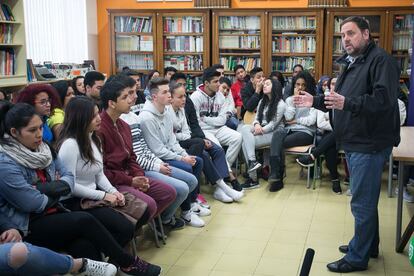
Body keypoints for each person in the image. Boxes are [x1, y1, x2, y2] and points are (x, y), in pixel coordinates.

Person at [0, 102, 161, 276]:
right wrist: (60, 189)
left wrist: (42, 188)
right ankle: (128, 263)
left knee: (86, 246)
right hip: (30, 222)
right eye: (32, 130)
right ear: (14, 132)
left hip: (57, 210)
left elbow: (68, 178)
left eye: (40, 128)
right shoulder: (6, 162)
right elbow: (33, 203)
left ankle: (115, 265)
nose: (39, 134)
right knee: (86, 221)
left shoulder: (45, 149)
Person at [294, 16, 400, 273]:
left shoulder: (380, 60)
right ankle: (368, 245)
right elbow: (338, 100)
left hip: (369, 142)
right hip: (354, 140)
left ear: (366, 34)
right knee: (366, 200)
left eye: (351, 33)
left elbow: (383, 100)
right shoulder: (352, 63)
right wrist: (316, 101)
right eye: (343, 35)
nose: (346, 40)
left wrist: (347, 104)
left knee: (361, 202)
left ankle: (357, 257)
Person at [57, 97, 150, 246]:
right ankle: (116, 257)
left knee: (143, 211)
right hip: (76, 200)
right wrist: (104, 195)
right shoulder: (70, 145)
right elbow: (70, 185)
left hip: (94, 195)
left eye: (97, 113)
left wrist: (113, 192)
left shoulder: (94, 139)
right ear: (80, 119)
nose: (99, 118)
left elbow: (99, 174)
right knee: (124, 227)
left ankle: (115, 253)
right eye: (93, 116)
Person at [113, 73, 198, 230]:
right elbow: (145, 153)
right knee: (182, 185)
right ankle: (165, 219)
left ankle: (179, 211)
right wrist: (160, 165)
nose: (133, 97)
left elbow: (144, 148)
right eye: (128, 94)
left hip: (150, 162)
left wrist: (178, 157)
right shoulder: (142, 118)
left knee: (192, 172)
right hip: (141, 168)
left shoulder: (134, 117)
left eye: (132, 93)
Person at [97, 78, 176, 223]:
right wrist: (131, 181)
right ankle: (129, 229)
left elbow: (132, 157)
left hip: (130, 176)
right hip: (113, 182)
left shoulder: (124, 125)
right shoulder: (100, 129)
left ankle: (136, 224)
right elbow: (102, 171)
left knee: (169, 192)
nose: (131, 100)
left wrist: (140, 177)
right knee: (149, 205)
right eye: (125, 97)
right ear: (111, 103)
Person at [137, 77, 207, 227]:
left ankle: (192, 203)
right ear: (155, 96)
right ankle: (186, 212)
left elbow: (172, 140)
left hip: (167, 154)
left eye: (169, 91)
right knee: (188, 167)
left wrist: (184, 155)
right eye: (165, 92)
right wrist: (182, 160)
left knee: (198, 161)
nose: (169, 95)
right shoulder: (146, 117)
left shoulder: (167, 111)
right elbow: (157, 150)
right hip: (157, 160)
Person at [169, 81, 244, 203]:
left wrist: (184, 136)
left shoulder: (182, 108)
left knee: (216, 150)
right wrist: (188, 137)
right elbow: (171, 137)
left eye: (184, 96)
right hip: (177, 144)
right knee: (201, 152)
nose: (184, 99)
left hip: (188, 139)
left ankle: (221, 187)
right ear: (170, 98)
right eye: (180, 97)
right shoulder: (168, 112)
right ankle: (217, 189)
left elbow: (188, 131)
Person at [0, 213, 117, 276]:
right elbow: (33, 201)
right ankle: (80, 265)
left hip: (54, 209)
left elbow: (66, 185)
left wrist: (11, 229)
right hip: (33, 221)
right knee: (19, 252)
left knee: (83, 242)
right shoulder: (8, 169)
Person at [190, 67, 244, 192]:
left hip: (219, 128)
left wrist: (206, 119)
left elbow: (222, 120)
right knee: (218, 147)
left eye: (219, 81)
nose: (219, 84)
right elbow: (196, 122)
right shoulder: (195, 97)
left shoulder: (220, 96)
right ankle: (229, 176)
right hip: (204, 131)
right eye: (215, 82)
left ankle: (225, 170)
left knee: (237, 137)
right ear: (206, 83)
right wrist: (207, 121)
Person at [268, 71, 316, 192]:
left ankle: (277, 175)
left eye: (303, 85)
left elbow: (311, 121)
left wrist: (297, 121)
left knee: (279, 143)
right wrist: (294, 101)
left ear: (307, 86)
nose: (300, 87)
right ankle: (276, 173)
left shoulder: (312, 99)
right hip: (289, 129)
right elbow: (289, 118)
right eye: (297, 84)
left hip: (306, 132)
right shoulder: (289, 100)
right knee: (277, 134)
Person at [296, 77, 342, 195]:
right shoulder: (324, 100)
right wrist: (337, 126)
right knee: (329, 147)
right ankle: (335, 180)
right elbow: (321, 123)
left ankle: (312, 156)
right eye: (331, 84)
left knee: (334, 135)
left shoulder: (344, 100)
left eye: (336, 84)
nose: (333, 86)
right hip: (331, 135)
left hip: (345, 135)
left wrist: (336, 126)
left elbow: (347, 124)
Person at [239, 78, 286, 189]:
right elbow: (256, 119)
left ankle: (253, 179)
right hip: (260, 131)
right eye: (264, 84)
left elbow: (273, 125)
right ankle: (252, 161)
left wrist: (259, 130)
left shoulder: (281, 104)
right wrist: (256, 125)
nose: (264, 86)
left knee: (244, 142)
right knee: (244, 128)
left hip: (273, 134)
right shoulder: (262, 101)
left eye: (267, 84)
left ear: (275, 87)